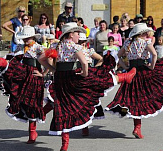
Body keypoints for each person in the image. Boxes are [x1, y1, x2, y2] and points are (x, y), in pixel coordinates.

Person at [38, 22, 136, 150]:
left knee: (63, 109)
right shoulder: (74, 46)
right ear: (71, 34)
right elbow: (84, 63)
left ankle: (65, 143)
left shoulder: (56, 45)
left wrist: (52, 69)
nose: (79, 35)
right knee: (96, 82)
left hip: (59, 79)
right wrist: (84, 74)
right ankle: (122, 77)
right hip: (71, 78)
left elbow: (41, 59)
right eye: (77, 33)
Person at [105, 23, 163, 139]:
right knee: (144, 98)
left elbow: (117, 56)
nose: (147, 33)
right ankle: (137, 128)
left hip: (131, 71)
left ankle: (137, 127)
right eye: (146, 32)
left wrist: (125, 67)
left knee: (134, 100)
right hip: (143, 72)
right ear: (142, 33)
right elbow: (154, 54)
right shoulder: (145, 42)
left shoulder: (128, 42)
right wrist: (152, 67)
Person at [0, 26, 54, 144]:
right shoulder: (20, 47)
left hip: (34, 77)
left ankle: (32, 132)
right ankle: (0, 62)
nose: (25, 40)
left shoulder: (38, 47)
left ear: (32, 37)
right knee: (21, 100)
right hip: (22, 76)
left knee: (32, 104)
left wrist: (43, 73)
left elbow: (49, 59)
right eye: (24, 38)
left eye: (27, 38)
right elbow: (13, 58)